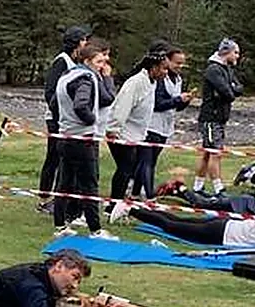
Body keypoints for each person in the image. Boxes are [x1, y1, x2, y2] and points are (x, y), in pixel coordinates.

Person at [52, 36, 115, 238]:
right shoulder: (86, 78)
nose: (102, 65)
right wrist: (90, 121)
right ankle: (95, 230)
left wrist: (65, 122)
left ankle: (60, 225)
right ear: (87, 62)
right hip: (82, 138)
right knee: (89, 185)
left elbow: (54, 103)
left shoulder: (66, 76)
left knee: (64, 183)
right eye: (99, 62)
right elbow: (81, 105)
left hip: (64, 136)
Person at [109, 198, 255, 250]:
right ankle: (130, 209)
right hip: (218, 232)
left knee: (177, 220)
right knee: (170, 226)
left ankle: (130, 207)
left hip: (224, 226)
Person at [106, 45, 170, 206]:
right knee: (125, 169)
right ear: (153, 68)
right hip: (122, 133)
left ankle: (116, 203)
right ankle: (113, 205)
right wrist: (113, 130)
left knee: (128, 169)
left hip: (136, 134)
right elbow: (122, 106)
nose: (166, 73)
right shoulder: (136, 83)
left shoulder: (152, 82)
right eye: (164, 69)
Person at [40, 26, 93, 214]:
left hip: (66, 120)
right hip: (57, 119)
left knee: (63, 160)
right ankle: (44, 198)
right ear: (77, 42)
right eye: (84, 40)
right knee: (53, 157)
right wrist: (60, 114)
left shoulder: (75, 62)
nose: (87, 43)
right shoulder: (61, 61)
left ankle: (59, 197)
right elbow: (50, 92)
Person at [196, 39, 244, 193]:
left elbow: (239, 88)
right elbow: (228, 93)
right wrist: (230, 88)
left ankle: (198, 186)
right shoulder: (214, 70)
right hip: (211, 118)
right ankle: (218, 189)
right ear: (226, 52)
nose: (237, 56)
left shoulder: (227, 69)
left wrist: (231, 88)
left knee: (208, 153)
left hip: (221, 118)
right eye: (235, 52)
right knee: (214, 153)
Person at [145, 45, 191, 199]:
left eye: (182, 63)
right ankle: (148, 193)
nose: (180, 66)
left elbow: (174, 106)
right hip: (152, 125)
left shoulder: (177, 79)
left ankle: (139, 191)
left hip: (165, 127)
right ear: (168, 61)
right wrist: (177, 99)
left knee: (152, 161)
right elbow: (157, 104)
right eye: (177, 63)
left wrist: (184, 101)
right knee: (147, 162)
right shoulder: (159, 78)